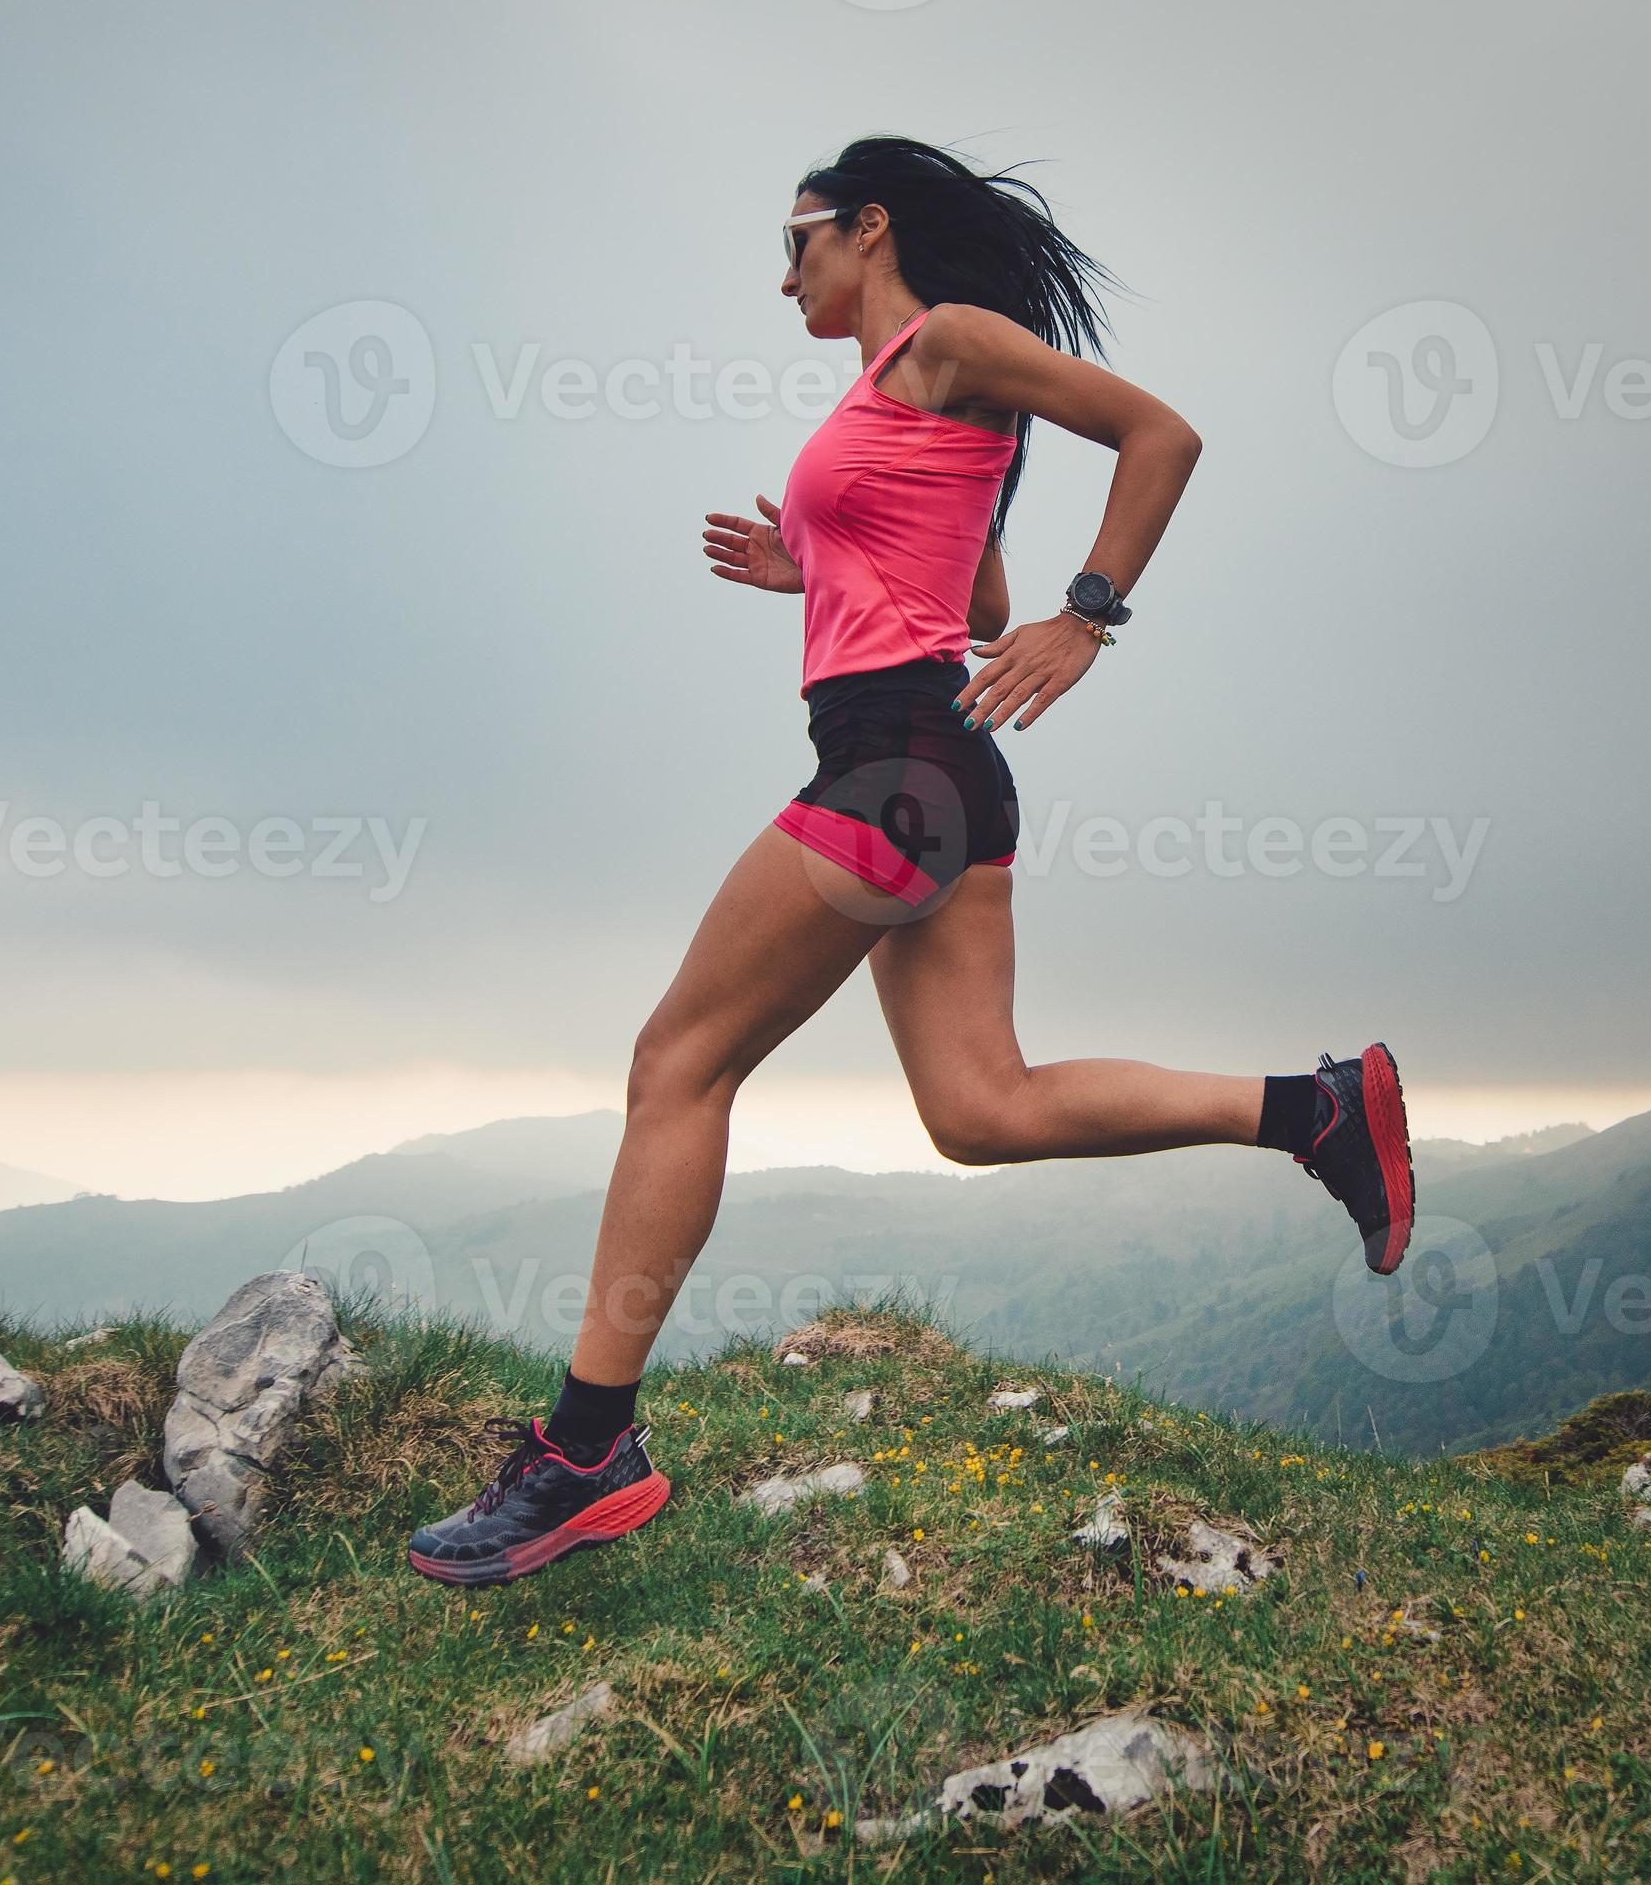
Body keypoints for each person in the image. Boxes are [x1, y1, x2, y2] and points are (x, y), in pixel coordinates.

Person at [405, 137, 1412, 1588]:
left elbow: (1162, 436)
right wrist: (810, 570)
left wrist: (1090, 616)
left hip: (895, 769)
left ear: (869, 229)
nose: (784, 270)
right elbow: (970, 588)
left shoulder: (947, 344)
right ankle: (1313, 1109)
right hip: (942, 777)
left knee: (676, 1063)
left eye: (800, 237)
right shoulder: (906, 394)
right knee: (979, 1107)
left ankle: (583, 1453)